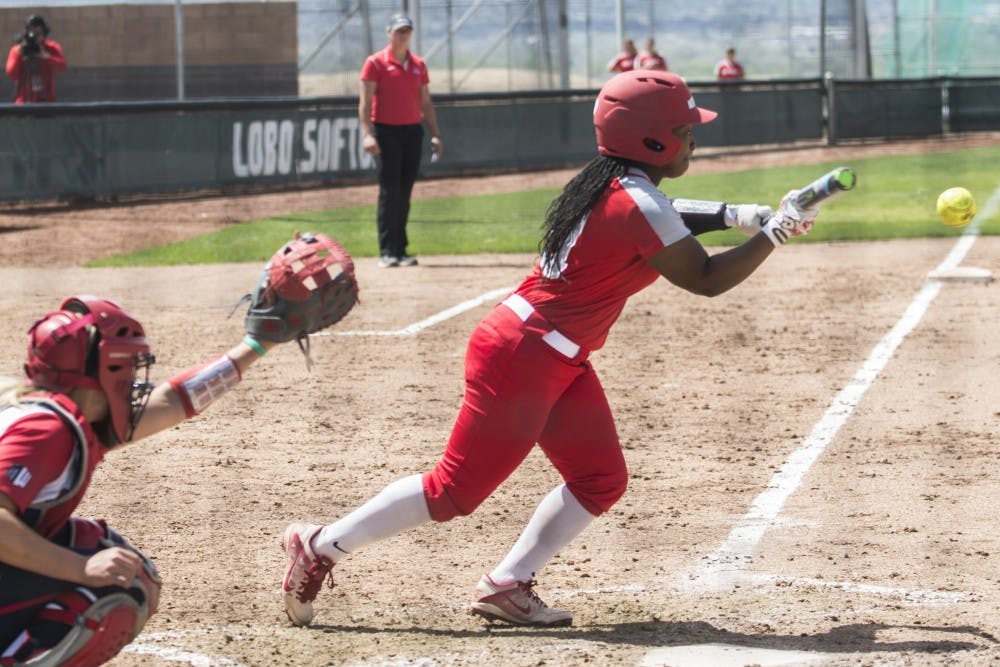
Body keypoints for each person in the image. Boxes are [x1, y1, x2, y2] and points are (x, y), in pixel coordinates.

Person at [280, 70, 817, 628]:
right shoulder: (636, 201)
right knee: (453, 492)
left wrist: (739, 215)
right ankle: (319, 545)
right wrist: (773, 232)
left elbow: (665, 208)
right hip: (523, 356)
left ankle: (506, 584)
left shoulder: (613, 182)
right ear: (653, 141)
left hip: (551, 352)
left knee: (600, 478)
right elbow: (705, 278)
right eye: (685, 130)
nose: (693, 139)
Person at [0, 295, 281, 664]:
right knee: (117, 586)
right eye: (125, 364)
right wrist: (80, 568)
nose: (133, 377)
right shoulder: (48, 429)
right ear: (100, 369)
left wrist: (257, 344)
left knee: (104, 549)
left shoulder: (43, 409)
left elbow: (171, 402)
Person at [359, 14, 443, 269]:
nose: (403, 35)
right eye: (398, 31)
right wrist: (367, 134)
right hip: (386, 132)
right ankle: (387, 250)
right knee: (389, 191)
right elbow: (364, 103)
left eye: (407, 30)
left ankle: (401, 249)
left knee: (405, 192)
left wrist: (435, 133)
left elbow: (426, 103)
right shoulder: (375, 63)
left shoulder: (418, 64)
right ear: (389, 33)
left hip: (411, 132)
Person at [5, 14, 67, 104]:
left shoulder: (51, 48)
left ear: (43, 33)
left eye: (37, 33)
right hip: (23, 102)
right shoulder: (17, 50)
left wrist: (46, 57)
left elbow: (62, 66)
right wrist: (20, 55)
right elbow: (11, 73)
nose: (34, 37)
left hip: (46, 102)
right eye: (31, 33)